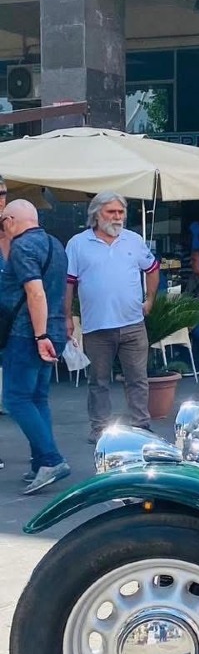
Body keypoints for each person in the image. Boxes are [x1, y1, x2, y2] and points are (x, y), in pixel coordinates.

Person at [65, 192, 158, 442]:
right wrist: (66, 317)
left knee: (137, 379)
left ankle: (141, 426)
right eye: (111, 212)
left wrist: (150, 299)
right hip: (97, 327)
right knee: (98, 382)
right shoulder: (77, 243)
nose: (118, 217)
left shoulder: (134, 240)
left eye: (121, 212)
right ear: (96, 215)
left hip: (132, 324)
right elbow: (68, 284)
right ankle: (100, 430)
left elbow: (152, 268)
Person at [0, 199, 70, 494]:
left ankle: (51, 459)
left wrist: (39, 337)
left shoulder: (22, 247)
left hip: (26, 334)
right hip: (53, 328)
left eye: (3, 220)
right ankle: (40, 462)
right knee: (37, 398)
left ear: (12, 219)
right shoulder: (55, 244)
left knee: (16, 399)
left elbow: (35, 292)